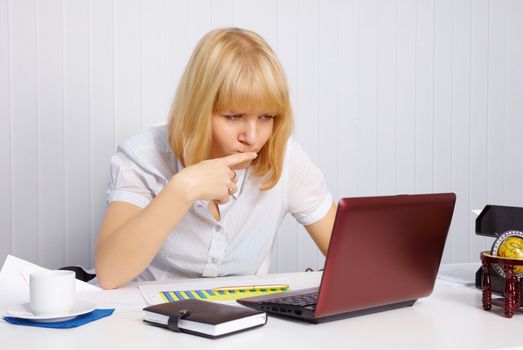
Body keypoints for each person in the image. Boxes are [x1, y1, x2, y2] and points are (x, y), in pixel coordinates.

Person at [95, 27, 336, 289]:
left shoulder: (286, 157)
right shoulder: (145, 156)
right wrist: (183, 188)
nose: (252, 136)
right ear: (198, 109)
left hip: (241, 321)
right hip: (141, 319)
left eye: (266, 117)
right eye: (234, 117)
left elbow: (351, 256)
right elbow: (109, 273)